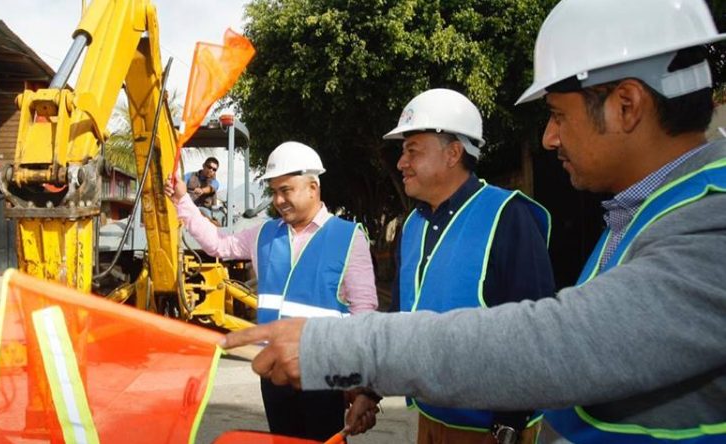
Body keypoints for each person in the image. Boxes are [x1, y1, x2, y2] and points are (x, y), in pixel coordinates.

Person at [222, 0, 726, 443]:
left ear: (627, 105)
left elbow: (555, 342)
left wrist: (332, 349)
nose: (549, 138)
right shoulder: (641, 212)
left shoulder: (710, 220)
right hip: (433, 414)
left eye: (557, 115)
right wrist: (369, 386)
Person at [165, 141, 379, 440]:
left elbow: (364, 314)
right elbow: (218, 244)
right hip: (275, 375)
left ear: (313, 188)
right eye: (274, 191)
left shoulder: (348, 237)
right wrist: (182, 201)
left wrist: (363, 385)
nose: (278, 200)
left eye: (286, 190)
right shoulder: (264, 234)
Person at [380, 88, 555, 444]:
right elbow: (400, 314)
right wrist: (371, 389)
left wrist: (509, 425)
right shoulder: (413, 225)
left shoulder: (507, 216)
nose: (401, 163)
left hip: (490, 429)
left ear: (453, 153)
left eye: (413, 151)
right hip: (430, 416)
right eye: (403, 152)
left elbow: (535, 331)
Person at [184, 156, 221, 221]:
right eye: (209, 167)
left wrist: (202, 190)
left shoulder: (215, 182)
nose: (211, 170)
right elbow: (181, 185)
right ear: (203, 165)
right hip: (187, 208)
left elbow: (211, 188)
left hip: (204, 210)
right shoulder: (189, 176)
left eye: (214, 169)